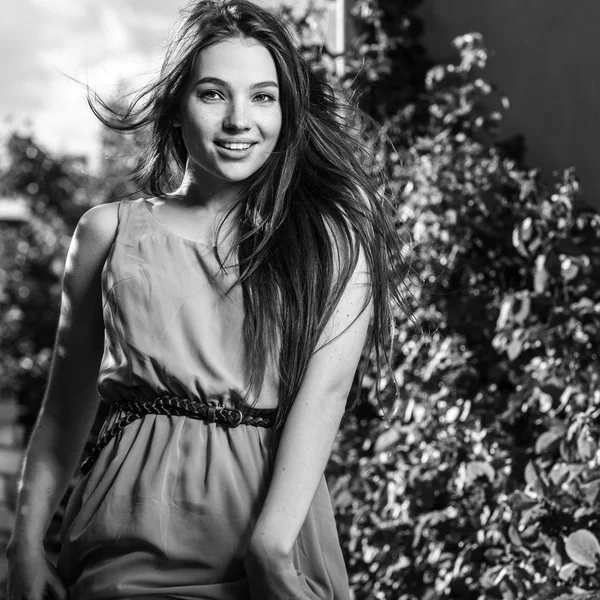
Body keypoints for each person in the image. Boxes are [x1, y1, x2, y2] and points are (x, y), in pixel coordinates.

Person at [6, 1, 414, 598]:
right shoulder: (107, 233)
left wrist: (271, 549)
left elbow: (324, 394)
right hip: (127, 535)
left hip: (269, 538)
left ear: (287, 111)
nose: (239, 120)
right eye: (214, 94)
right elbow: (65, 413)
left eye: (264, 97)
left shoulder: (330, 239)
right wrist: (23, 546)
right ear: (175, 107)